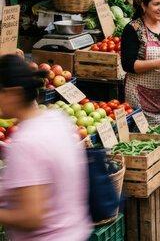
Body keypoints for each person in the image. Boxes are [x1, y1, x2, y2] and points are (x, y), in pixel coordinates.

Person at [0, 55, 92, 240]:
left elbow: (31, 218)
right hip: (75, 232)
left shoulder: (26, 143)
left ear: (13, 93)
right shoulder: (56, 119)